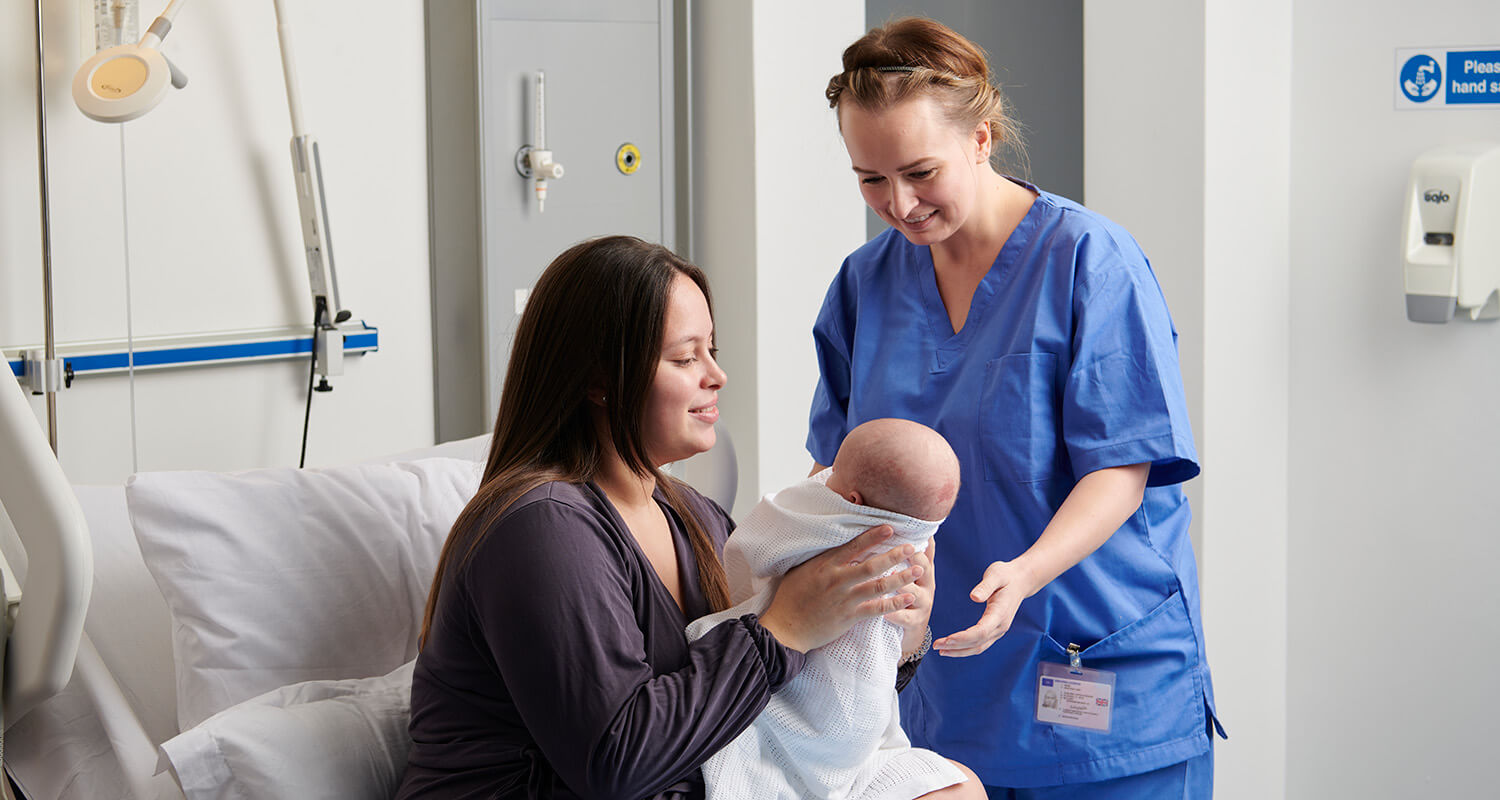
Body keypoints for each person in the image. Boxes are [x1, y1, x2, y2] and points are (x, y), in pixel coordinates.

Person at [395, 235, 975, 800]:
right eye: (684, 357)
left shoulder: (694, 516)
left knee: (952, 787)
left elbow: (790, 704)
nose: (716, 376)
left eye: (712, 352)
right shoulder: (542, 528)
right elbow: (614, 764)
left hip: (694, 778)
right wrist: (788, 628)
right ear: (599, 380)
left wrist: (895, 631)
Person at [808, 17, 1226, 798]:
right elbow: (838, 472)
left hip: (1094, 664)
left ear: (982, 137)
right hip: (945, 694)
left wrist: (1025, 574)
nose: (898, 203)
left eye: (919, 171)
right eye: (870, 178)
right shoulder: (866, 285)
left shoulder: (1088, 260)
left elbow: (1122, 468)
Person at [687, 418, 980, 800]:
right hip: (837, 722)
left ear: (853, 501)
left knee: (960, 786)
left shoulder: (817, 526)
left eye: (832, 475)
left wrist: (911, 639)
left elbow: (754, 547)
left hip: (834, 726)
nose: (822, 481)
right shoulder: (911, 549)